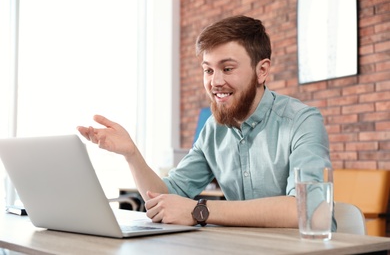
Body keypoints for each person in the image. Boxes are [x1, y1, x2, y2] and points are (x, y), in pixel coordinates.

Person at [78, 15, 336, 230]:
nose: (215, 82)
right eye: (208, 70)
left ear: (262, 70)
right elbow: (166, 196)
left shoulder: (302, 121)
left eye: (227, 68)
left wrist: (199, 210)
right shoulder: (214, 129)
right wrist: (132, 155)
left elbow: (305, 210)